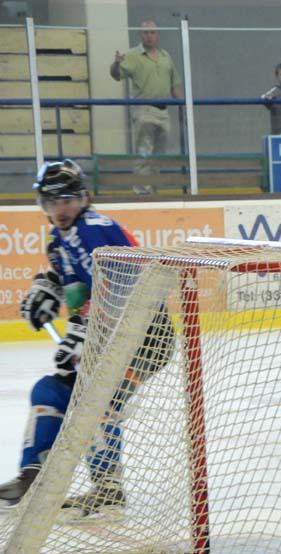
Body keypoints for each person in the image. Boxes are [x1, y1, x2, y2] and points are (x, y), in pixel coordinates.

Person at [0, 161, 140, 513]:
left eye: (66, 200)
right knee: (50, 390)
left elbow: (130, 290)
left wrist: (86, 332)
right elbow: (78, 294)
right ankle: (32, 476)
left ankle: (108, 489)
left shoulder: (98, 229)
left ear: (82, 198)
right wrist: (49, 290)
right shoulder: (57, 240)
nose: (59, 209)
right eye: (51, 201)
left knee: (97, 397)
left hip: (143, 337)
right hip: (101, 337)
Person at [110, 20, 184, 195]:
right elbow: (116, 75)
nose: (149, 36)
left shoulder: (166, 56)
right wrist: (116, 64)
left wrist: (183, 105)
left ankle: (154, 190)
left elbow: (175, 84)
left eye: (152, 32)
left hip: (164, 111)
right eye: (145, 32)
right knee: (143, 153)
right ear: (140, 34)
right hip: (144, 109)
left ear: (158, 35)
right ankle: (142, 192)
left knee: (159, 156)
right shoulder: (133, 55)